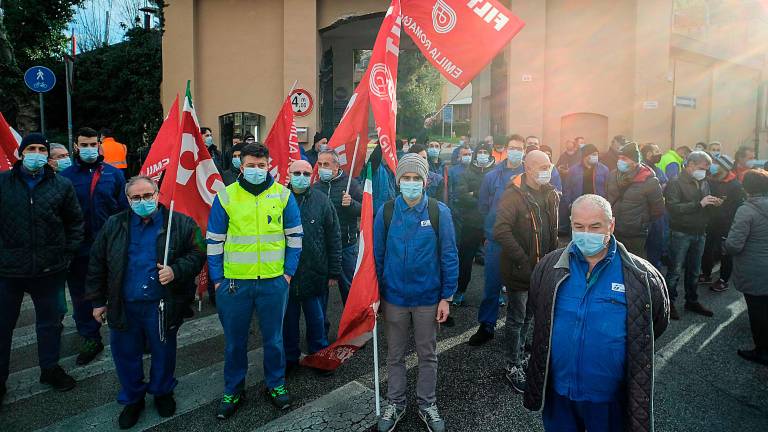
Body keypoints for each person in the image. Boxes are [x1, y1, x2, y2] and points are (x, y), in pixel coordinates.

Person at [524, 194, 670, 432]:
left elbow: (653, 325)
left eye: (595, 226)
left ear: (611, 225)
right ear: (570, 225)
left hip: (608, 399)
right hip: (558, 394)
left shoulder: (642, 276)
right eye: (578, 227)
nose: (586, 233)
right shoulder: (549, 268)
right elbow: (538, 310)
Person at [86, 176, 205, 428]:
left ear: (158, 193)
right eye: (136, 198)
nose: (143, 201)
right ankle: (133, 398)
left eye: (148, 195)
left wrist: (176, 270)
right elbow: (97, 262)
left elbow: (198, 252)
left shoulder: (179, 222)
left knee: (163, 352)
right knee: (125, 354)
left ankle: (162, 391)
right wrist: (97, 301)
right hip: (124, 303)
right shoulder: (114, 224)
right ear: (128, 199)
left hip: (161, 304)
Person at [206, 143, 303, 417]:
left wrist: (287, 274)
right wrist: (217, 280)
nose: (256, 170)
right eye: (250, 165)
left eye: (261, 165)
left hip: (274, 282)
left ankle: (276, 384)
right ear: (241, 165)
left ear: (269, 164)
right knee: (235, 342)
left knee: (273, 339)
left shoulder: (283, 196)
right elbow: (214, 241)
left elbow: (295, 237)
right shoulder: (225, 196)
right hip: (234, 284)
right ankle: (234, 389)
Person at [374, 153, 458, 432]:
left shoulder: (438, 211)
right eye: (406, 178)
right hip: (394, 298)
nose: (411, 183)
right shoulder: (385, 211)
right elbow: (378, 256)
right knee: (394, 355)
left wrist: (446, 297)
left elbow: (449, 255)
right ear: (398, 181)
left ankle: (427, 404)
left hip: (427, 298)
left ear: (424, 181)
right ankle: (395, 403)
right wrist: (376, 295)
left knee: (427, 354)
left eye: (416, 178)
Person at [0, 133, 84, 400]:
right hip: (8, 272)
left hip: (51, 270)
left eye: (41, 149)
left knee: (50, 324)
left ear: (47, 155)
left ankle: (50, 368)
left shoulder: (61, 185)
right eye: (31, 148)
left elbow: (74, 222)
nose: (36, 153)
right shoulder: (3, 183)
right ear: (21, 153)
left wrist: (67, 254)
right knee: (2, 327)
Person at [61, 127, 129, 365]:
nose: (89, 149)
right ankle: (90, 338)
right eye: (84, 145)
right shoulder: (66, 176)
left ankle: (131, 335)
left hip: (109, 246)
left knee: (120, 290)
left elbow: (123, 210)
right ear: (76, 147)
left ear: (99, 145)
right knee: (81, 296)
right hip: (78, 249)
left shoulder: (113, 174)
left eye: (93, 144)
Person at [493, 150, 559, 393]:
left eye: (549, 165)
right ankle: (513, 365)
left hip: (543, 269)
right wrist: (522, 260)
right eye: (541, 165)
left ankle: (521, 354)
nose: (546, 170)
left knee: (530, 316)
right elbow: (501, 231)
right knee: (517, 318)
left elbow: (552, 230)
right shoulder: (513, 196)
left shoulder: (551, 194)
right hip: (520, 271)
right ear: (527, 168)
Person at [283, 160, 341, 372]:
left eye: (306, 173)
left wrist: (334, 271)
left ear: (312, 176)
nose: (301, 177)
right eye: (296, 173)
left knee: (317, 321)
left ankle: (320, 356)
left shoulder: (322, 200)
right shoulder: (278, 199)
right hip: (286, 275)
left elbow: (334, 237)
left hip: (315, 273)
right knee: (287, 323)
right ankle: (290, 358)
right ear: (288, 174)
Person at [468, 135, 526, 345]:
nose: (515, 151)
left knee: (520, 289)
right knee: (491, 285)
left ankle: (520, 330)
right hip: (496, 240)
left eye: (519, 148)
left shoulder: (529, 176)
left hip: (522, 243)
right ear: (505, 150)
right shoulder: (492, 177)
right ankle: (487, 325)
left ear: (524, 151)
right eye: (512, 148)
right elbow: (484, 206)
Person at [664, 151, 719, 320]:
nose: (705, 172)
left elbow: (702, 204)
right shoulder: (675, 182)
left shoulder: (703, 181)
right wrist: (699, 204)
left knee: (695, 270)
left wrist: (712, 203)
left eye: (707, 169)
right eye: (703, 168)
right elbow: (673, 208)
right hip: (681, 232)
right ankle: (668, 304)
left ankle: (692, 300)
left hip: (699, 231)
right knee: (674, 270)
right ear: (691, 164)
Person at [725, 169, 768, 366]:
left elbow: (734, 244)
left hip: (755, 268)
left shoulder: (746, 210)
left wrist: (724, 245)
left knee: (757, 310)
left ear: (746, 188)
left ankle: (762, 350)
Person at [312, 150, 363, 308]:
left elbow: (366, 209)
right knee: (320, 292)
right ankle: (322, 330)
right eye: (319, 164)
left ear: (336, 165)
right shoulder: (315, 187)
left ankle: (353, 329)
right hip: (322, 248)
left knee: (349, 289)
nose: (322, 168)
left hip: (346, 246)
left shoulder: (351, 184)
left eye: (326, 164)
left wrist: (352, 204)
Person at [451, 143, 496, 306]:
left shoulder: (495, 172)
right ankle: (460, 291)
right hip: (471, 224)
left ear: (490, 155)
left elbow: (497, 196)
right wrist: (482, 195)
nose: (482, 154)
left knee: (494, 260)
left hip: (492, 224)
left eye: (485, 152)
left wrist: (474, 193)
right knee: (465, 260)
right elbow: (462, 196)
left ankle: (496, 293)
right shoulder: (467, 172)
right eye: (480, 152)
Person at [605, 142, 665, 258]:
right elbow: (607, 197)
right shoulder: (612, 175)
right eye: (619, 158)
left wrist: (642, 222)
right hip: (614, 230)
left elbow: (658, 209)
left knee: (633, 265)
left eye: (624, 158)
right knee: (613, 261)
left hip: (635, 234)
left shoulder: (649, 180)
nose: (620, 161)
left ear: (634, 161)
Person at [699, 155, 744, 292]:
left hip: (726, 224)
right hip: (710, 222)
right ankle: (706, 274)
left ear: (724, 167)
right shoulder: (710, 179)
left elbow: (737, 207)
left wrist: (722, 206)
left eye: (715, 164)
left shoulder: (735, 184)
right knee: (707, 248)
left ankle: (723, 280)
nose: (712, 166)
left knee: (725, 252)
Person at [640, 143, 669, 268]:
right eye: (656, 151)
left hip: (658, 214)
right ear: (648, 154)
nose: (659, 154)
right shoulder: (641, 170)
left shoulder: (658, 170)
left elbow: (665, 185)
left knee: (656, 245)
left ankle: (654, 271)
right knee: (641, 247)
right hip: (644, 213)